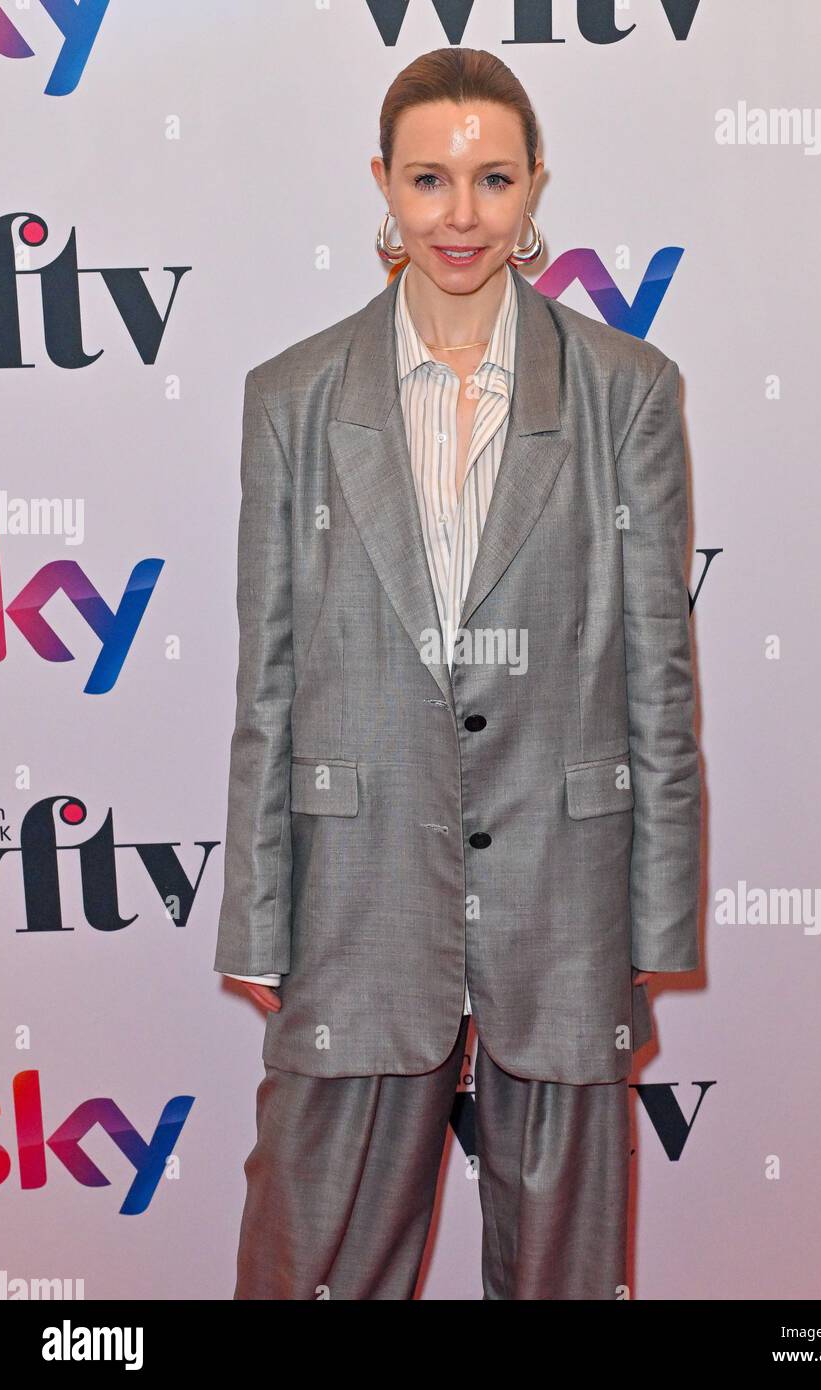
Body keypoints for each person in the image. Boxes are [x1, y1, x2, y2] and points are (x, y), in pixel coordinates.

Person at [214, 46, 701, 1300]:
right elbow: (265, 682)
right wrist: (259, 918)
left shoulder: (625, 392)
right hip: (354, 892)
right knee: (306, 1263)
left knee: (563, 1277)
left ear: (536, 185)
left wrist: (654, 918)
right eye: (429, 178)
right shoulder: (292, 399)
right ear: (382, 183)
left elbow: (659, 674)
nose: (462, 215)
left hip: (566, 888)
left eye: (492, 179)